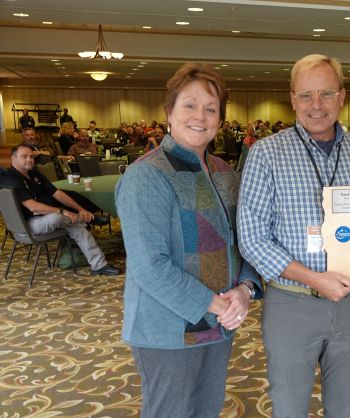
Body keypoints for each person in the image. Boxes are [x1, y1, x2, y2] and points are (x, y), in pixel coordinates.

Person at [237, 53, 350, 418]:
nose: (316, 105)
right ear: (292, 99)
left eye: (326, 93)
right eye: (306, 95)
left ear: (342, 96)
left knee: (347, 405)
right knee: (290, 407)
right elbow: (252, 238)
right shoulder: (266, 155)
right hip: (292, 303)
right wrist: (313, 278)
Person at [115, 63, 261, 418]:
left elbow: (247, 243)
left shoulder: (226, 173)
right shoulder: (146, 175)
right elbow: (150, 267)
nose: (201, 116)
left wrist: (245, 289)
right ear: (169, 113)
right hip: (167, 330)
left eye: (211, 109)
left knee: (205, 410)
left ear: (220, 120)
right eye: (190, 105)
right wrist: (218, 305)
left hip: (219, 324)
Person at [3, 144, 119, 276]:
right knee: (58, 217)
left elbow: (57, 194)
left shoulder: (34, 174)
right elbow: (33, 207)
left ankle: (99, 265)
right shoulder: (10, 179)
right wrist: (63, 211)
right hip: (27, 226)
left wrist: (81, 209)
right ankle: (91, 219)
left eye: (31, 156)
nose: (29, 160)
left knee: (75, 224)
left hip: (42, 219)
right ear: (13, 159)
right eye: (24, 156)